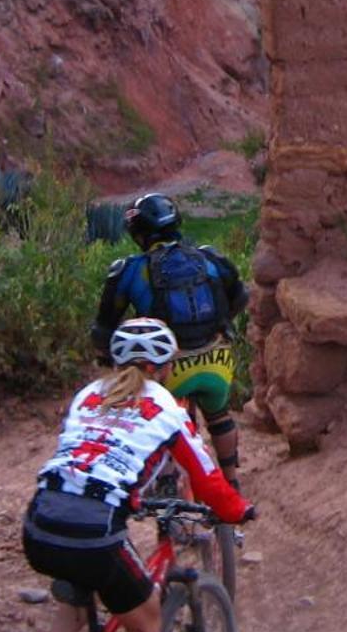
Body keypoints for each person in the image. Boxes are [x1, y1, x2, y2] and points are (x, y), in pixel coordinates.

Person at [21, 317, 253, 632]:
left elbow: (89, 454)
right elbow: (207, 479)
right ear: (166, 368)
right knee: (145, 626)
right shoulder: (167, 408)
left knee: (81, 574)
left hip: (40, 520)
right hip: (98, 530)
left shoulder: (88, 395)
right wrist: (237, 510)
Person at [92, 193, 251, 490]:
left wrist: (107, 357)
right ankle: (231, 481)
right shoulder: (211, 258)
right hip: (217, 363)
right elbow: (240, 297)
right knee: (218, 415)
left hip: (168, 368)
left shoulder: (130, 269)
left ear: (138, 233)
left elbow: (104, 328)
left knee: (162, 424)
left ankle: (168, 493)